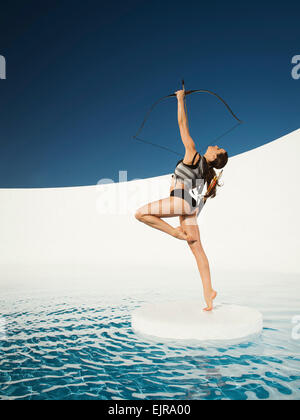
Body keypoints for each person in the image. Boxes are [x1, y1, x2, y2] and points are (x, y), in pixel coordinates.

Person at [135, 89, 228, 311]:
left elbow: (182, 124)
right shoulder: (205, 171)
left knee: (140, 213)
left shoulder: (194, 154)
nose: (214, 146)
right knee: (197, 249)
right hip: (190, 206)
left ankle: (175, 233)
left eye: (217, 148)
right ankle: (209, 294)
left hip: (182, 201)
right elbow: (195, 194)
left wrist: (180, 99)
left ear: (215, 157)